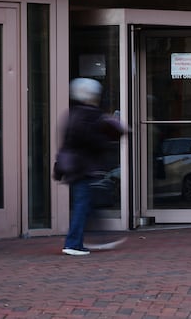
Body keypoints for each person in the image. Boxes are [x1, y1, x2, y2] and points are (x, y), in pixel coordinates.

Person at [56, 77, 125, 256]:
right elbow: (88, 139)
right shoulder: (88, 114)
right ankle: (73, 243)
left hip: (77, 165)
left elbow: (69, 140)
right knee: (83, 204)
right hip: (82, 166)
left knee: (88, 204)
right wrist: (106, 138)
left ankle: (96, 238)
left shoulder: (75, 113)